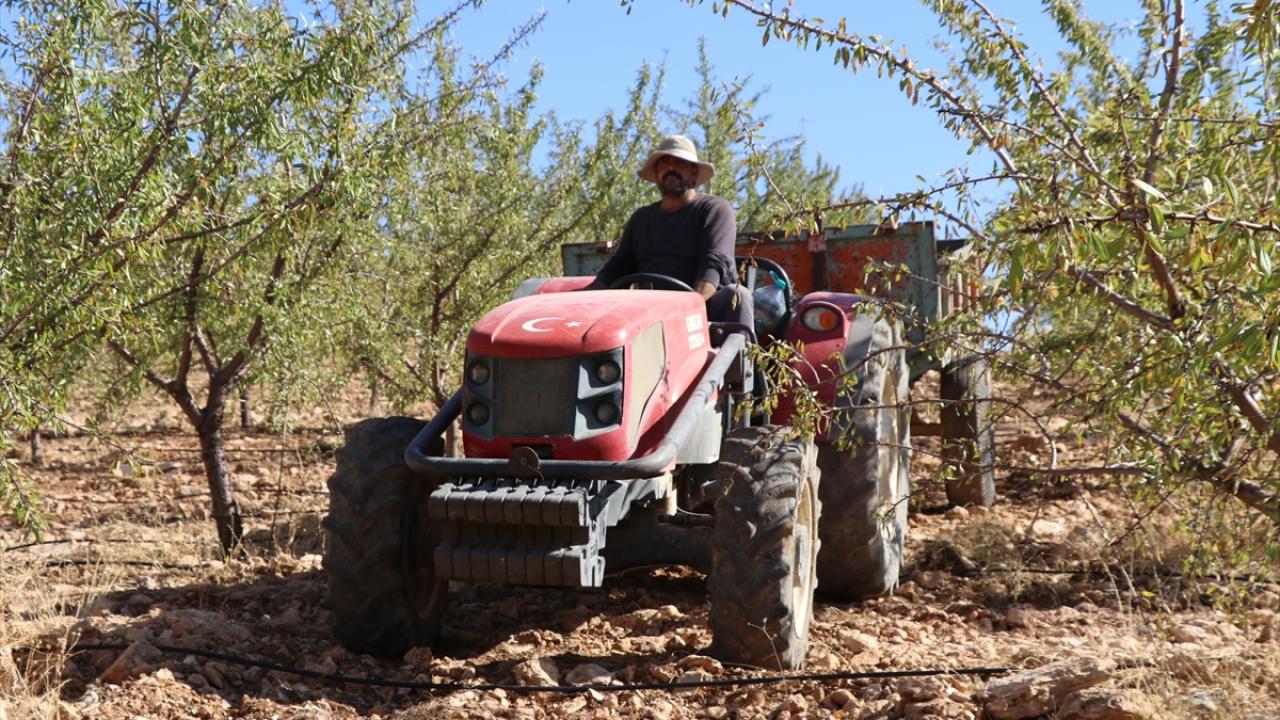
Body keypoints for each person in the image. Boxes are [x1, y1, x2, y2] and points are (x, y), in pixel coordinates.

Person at [584, 135, 753, 330]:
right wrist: (582, 301)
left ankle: (737, 358)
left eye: (680, 162)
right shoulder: (641, 218)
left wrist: (688, 310)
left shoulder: (714, 210)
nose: (671, 168)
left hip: (703, 314)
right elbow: (618, 268)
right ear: (656, 173)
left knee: (737, 296)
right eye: (664, 162)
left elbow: (714, 263)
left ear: (694, 172)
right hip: (648, 314)